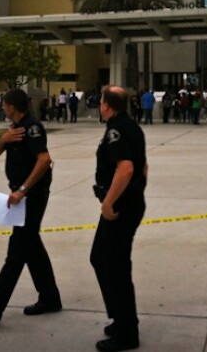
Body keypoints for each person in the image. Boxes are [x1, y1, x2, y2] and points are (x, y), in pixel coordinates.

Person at [0, 88, 62, 327]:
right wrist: (4, 139)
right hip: (20, 196)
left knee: (16, 253)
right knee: (32, 247)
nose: (2, 108)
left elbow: (44, 160)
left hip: (32, 196)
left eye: (4, 104)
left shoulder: (32, 128)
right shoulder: (13, 130)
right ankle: (50, 298)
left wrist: (23, 189)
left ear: (12, 106)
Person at [91, 85, 148, 352]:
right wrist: (138, 190)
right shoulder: (132, 126)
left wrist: (109, 202)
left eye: (101, 101)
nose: (99, 106)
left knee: (116, 267)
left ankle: (126, 333)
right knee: (100, 258)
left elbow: (126, 168)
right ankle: (121, 317)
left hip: (119, 208)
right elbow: (143, 167)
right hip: (128, 203)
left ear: (106, 105)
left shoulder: (116, 130)